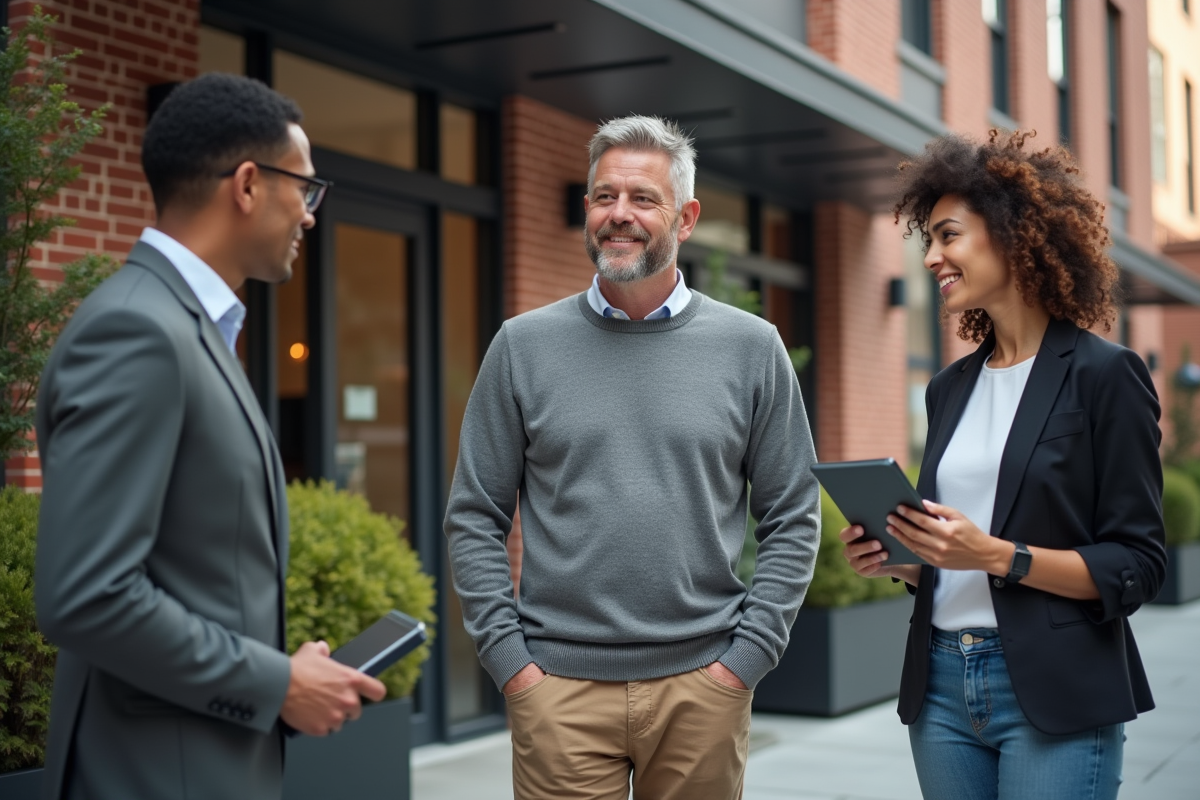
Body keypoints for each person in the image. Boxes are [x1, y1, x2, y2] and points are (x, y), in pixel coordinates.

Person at [444, 115, 821, 800]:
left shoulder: (751, 348)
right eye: (605, 196)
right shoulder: (521, 347)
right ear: (587, 208)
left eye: (643, 198)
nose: (621, 215)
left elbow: (793, 516)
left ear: (686, 217)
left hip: (702, 686)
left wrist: (745, 660)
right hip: (558, 690)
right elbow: (473, 515)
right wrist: (513, 667)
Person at [34, 73, 386, 800]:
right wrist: (275, 681)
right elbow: (86, 595)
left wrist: (287, 670)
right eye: (306, 190)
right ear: (249, 185)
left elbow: (190, 570)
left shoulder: (183, 328)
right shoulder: (137, 332)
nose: (310, 215)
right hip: (155, 776)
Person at [841, 130, 1165, 800]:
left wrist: (1000, 556)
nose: (932, 257)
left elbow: (1137, 564)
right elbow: (957, 553)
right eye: (927, 239)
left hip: (1056, 688)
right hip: (940, 686)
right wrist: (907, 558)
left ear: (1013, 233)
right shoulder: (950, 388)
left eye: (949, 235)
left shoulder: (1106, 376)